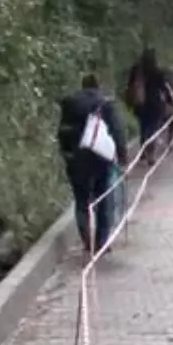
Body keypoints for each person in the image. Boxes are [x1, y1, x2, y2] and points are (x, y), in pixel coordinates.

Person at [58, 74, 128, 254]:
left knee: (82, 201)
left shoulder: (70, 105)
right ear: (98, 86)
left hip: (76, 159)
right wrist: (122, 157)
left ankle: (86, 242)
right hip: (100, 159)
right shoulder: (105, 104)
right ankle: (101, 242)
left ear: (82, 87)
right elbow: (117, 131)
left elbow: (62, 132)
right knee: (103, 199)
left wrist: (67, 155)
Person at [125, 48, 173, 165]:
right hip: (154, 103)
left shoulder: (136, 69)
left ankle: (143, 151)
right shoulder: (157, 71)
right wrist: (170, 100)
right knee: (153, 128)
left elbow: (129, 85)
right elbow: (163, 87)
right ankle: (151, 153)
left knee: (143, 126)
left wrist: (129, 101)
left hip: (140, 104)